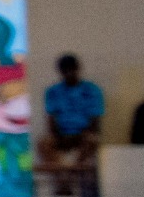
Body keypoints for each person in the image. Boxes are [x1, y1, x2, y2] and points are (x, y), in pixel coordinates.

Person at [40, 54, 106, 190]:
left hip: (83, 134)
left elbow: (95, 121)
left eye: (71, 70)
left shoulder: (91, 90)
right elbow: (51, 119)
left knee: (91, 141)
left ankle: (70, 176)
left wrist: (79, 135)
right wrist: (59, 136)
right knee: (44, 144)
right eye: (65, 71)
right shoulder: (53, 92)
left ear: (78, 69)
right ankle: (60, 178)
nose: (69, 74)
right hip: (61, 134)